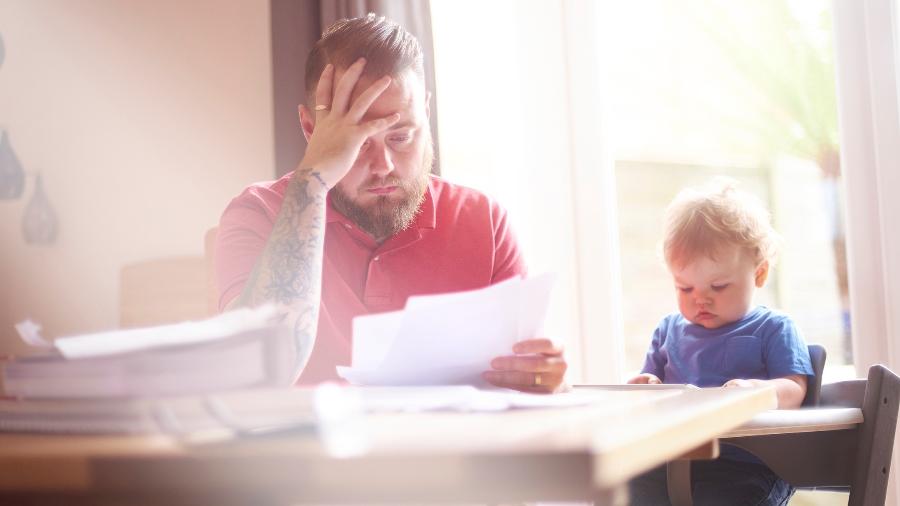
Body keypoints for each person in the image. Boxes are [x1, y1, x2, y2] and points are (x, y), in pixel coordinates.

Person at [214, 14, 566, 392]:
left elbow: (524, 383)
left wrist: (545, 379)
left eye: (400, 137)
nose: (383, 166)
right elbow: (257, 376)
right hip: (314, 451)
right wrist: (311, 186)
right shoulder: (257, 215)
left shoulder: (485, 222)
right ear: (311, 131)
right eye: (359, 142)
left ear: (426, 114)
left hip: (449, 447)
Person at [626, 179, 814, 505]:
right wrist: (647, 385)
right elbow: (648, 392)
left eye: (719, 286)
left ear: (759, 274)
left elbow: (795, 388)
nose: (701, 300)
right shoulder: (668, 330)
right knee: (626, 485)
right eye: (685, 288)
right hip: (674, 460)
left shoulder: (774, 327)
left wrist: (757, 392)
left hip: (748, 466)